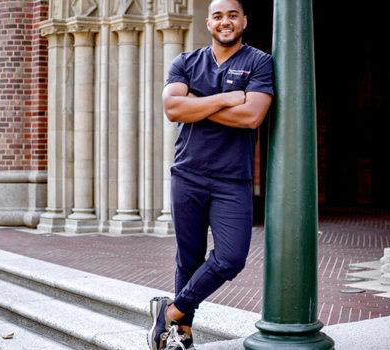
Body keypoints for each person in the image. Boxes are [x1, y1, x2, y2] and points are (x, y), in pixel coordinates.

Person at [148, 0, 273, 349]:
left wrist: (198, 104)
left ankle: (170, 312)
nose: (225, 22)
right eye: (218, 16)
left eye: (232, 15)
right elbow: (173, 108)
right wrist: (227, 98)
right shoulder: (186, 61)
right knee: (188, 259)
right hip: (187, 174)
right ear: (208, 22)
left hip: (231, 179)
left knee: (231, 257)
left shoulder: (259, 62)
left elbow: (251, 117)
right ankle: (182, 333)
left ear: (244, 21)